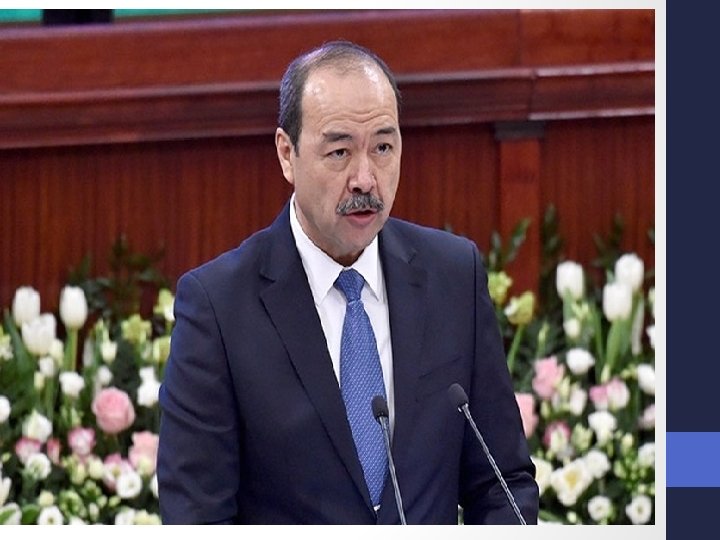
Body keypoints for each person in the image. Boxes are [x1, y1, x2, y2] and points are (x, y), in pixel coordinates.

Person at [157, 40, 539, 525]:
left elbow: (501, 484)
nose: (365, 178)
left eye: (383, 148)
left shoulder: (452, 276)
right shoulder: (219, 307)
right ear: (287, 154)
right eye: (339, 151)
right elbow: (196, 516)